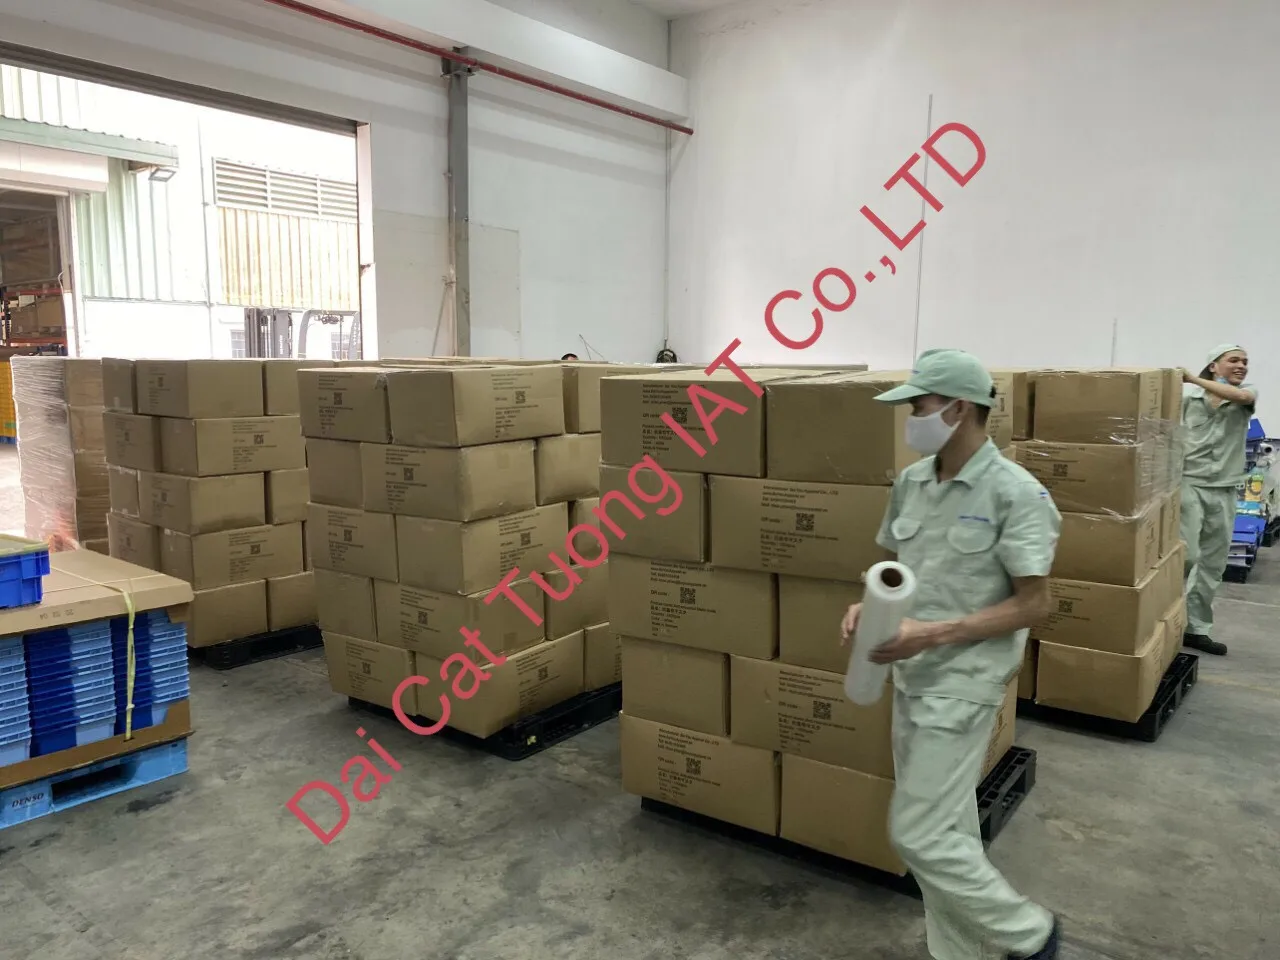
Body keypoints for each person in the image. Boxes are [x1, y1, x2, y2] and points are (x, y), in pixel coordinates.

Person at [840, 348, 1061, 960]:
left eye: (919, 406)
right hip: (909, 673)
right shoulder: (912, 483)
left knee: (918, 833)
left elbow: (1036, 603)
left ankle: (1030, 935)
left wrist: (933, 634)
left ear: (959, 409)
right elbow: (896, 569)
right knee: (950, 829)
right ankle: (960, 953)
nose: (911, 418)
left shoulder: (1016, 494)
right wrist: (868, 603)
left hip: (964, 679)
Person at [1179, 344, 1256, 657]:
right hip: (1189, 484)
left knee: (1212, 563)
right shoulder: (1188, 400)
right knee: (1185, 557)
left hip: (1224, 488)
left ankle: (1196, 629)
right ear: (1213, 365)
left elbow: (1240, 396)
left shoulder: (1247, 395)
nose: (1241, 365)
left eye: (1245, 361)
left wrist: (1191, 378)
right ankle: (1163, 621)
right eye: (1233, 360)